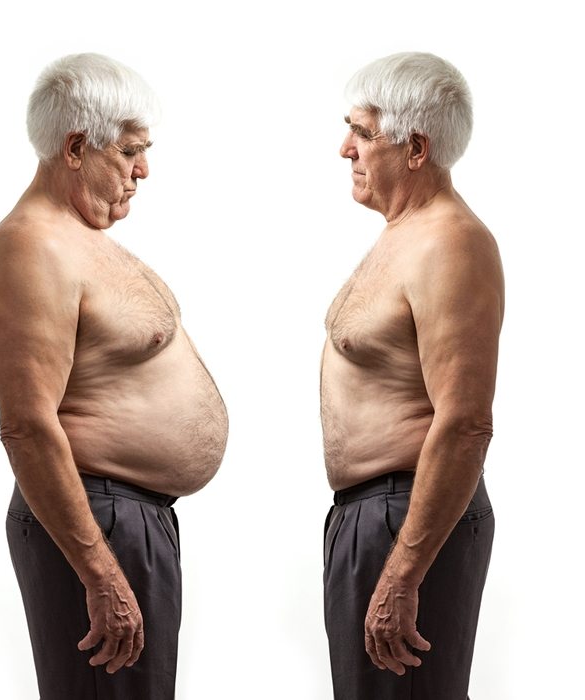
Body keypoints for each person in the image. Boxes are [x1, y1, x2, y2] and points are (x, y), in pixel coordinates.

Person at [0, 53, 228, 700]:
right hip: (94, 519)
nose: (143, 169)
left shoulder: (80, 238)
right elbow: (27, 425)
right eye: (130, 151)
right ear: (76, 147)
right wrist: (100, 572)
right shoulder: (30, 247)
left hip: (133, 518)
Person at [321, 52, 504, 699]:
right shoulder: (403, 235)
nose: (346, 148)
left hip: (407, 518)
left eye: (363, 133)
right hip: (371, 517)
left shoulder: (451, 242)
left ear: (416, 147)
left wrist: (401, 573)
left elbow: (465, 422)